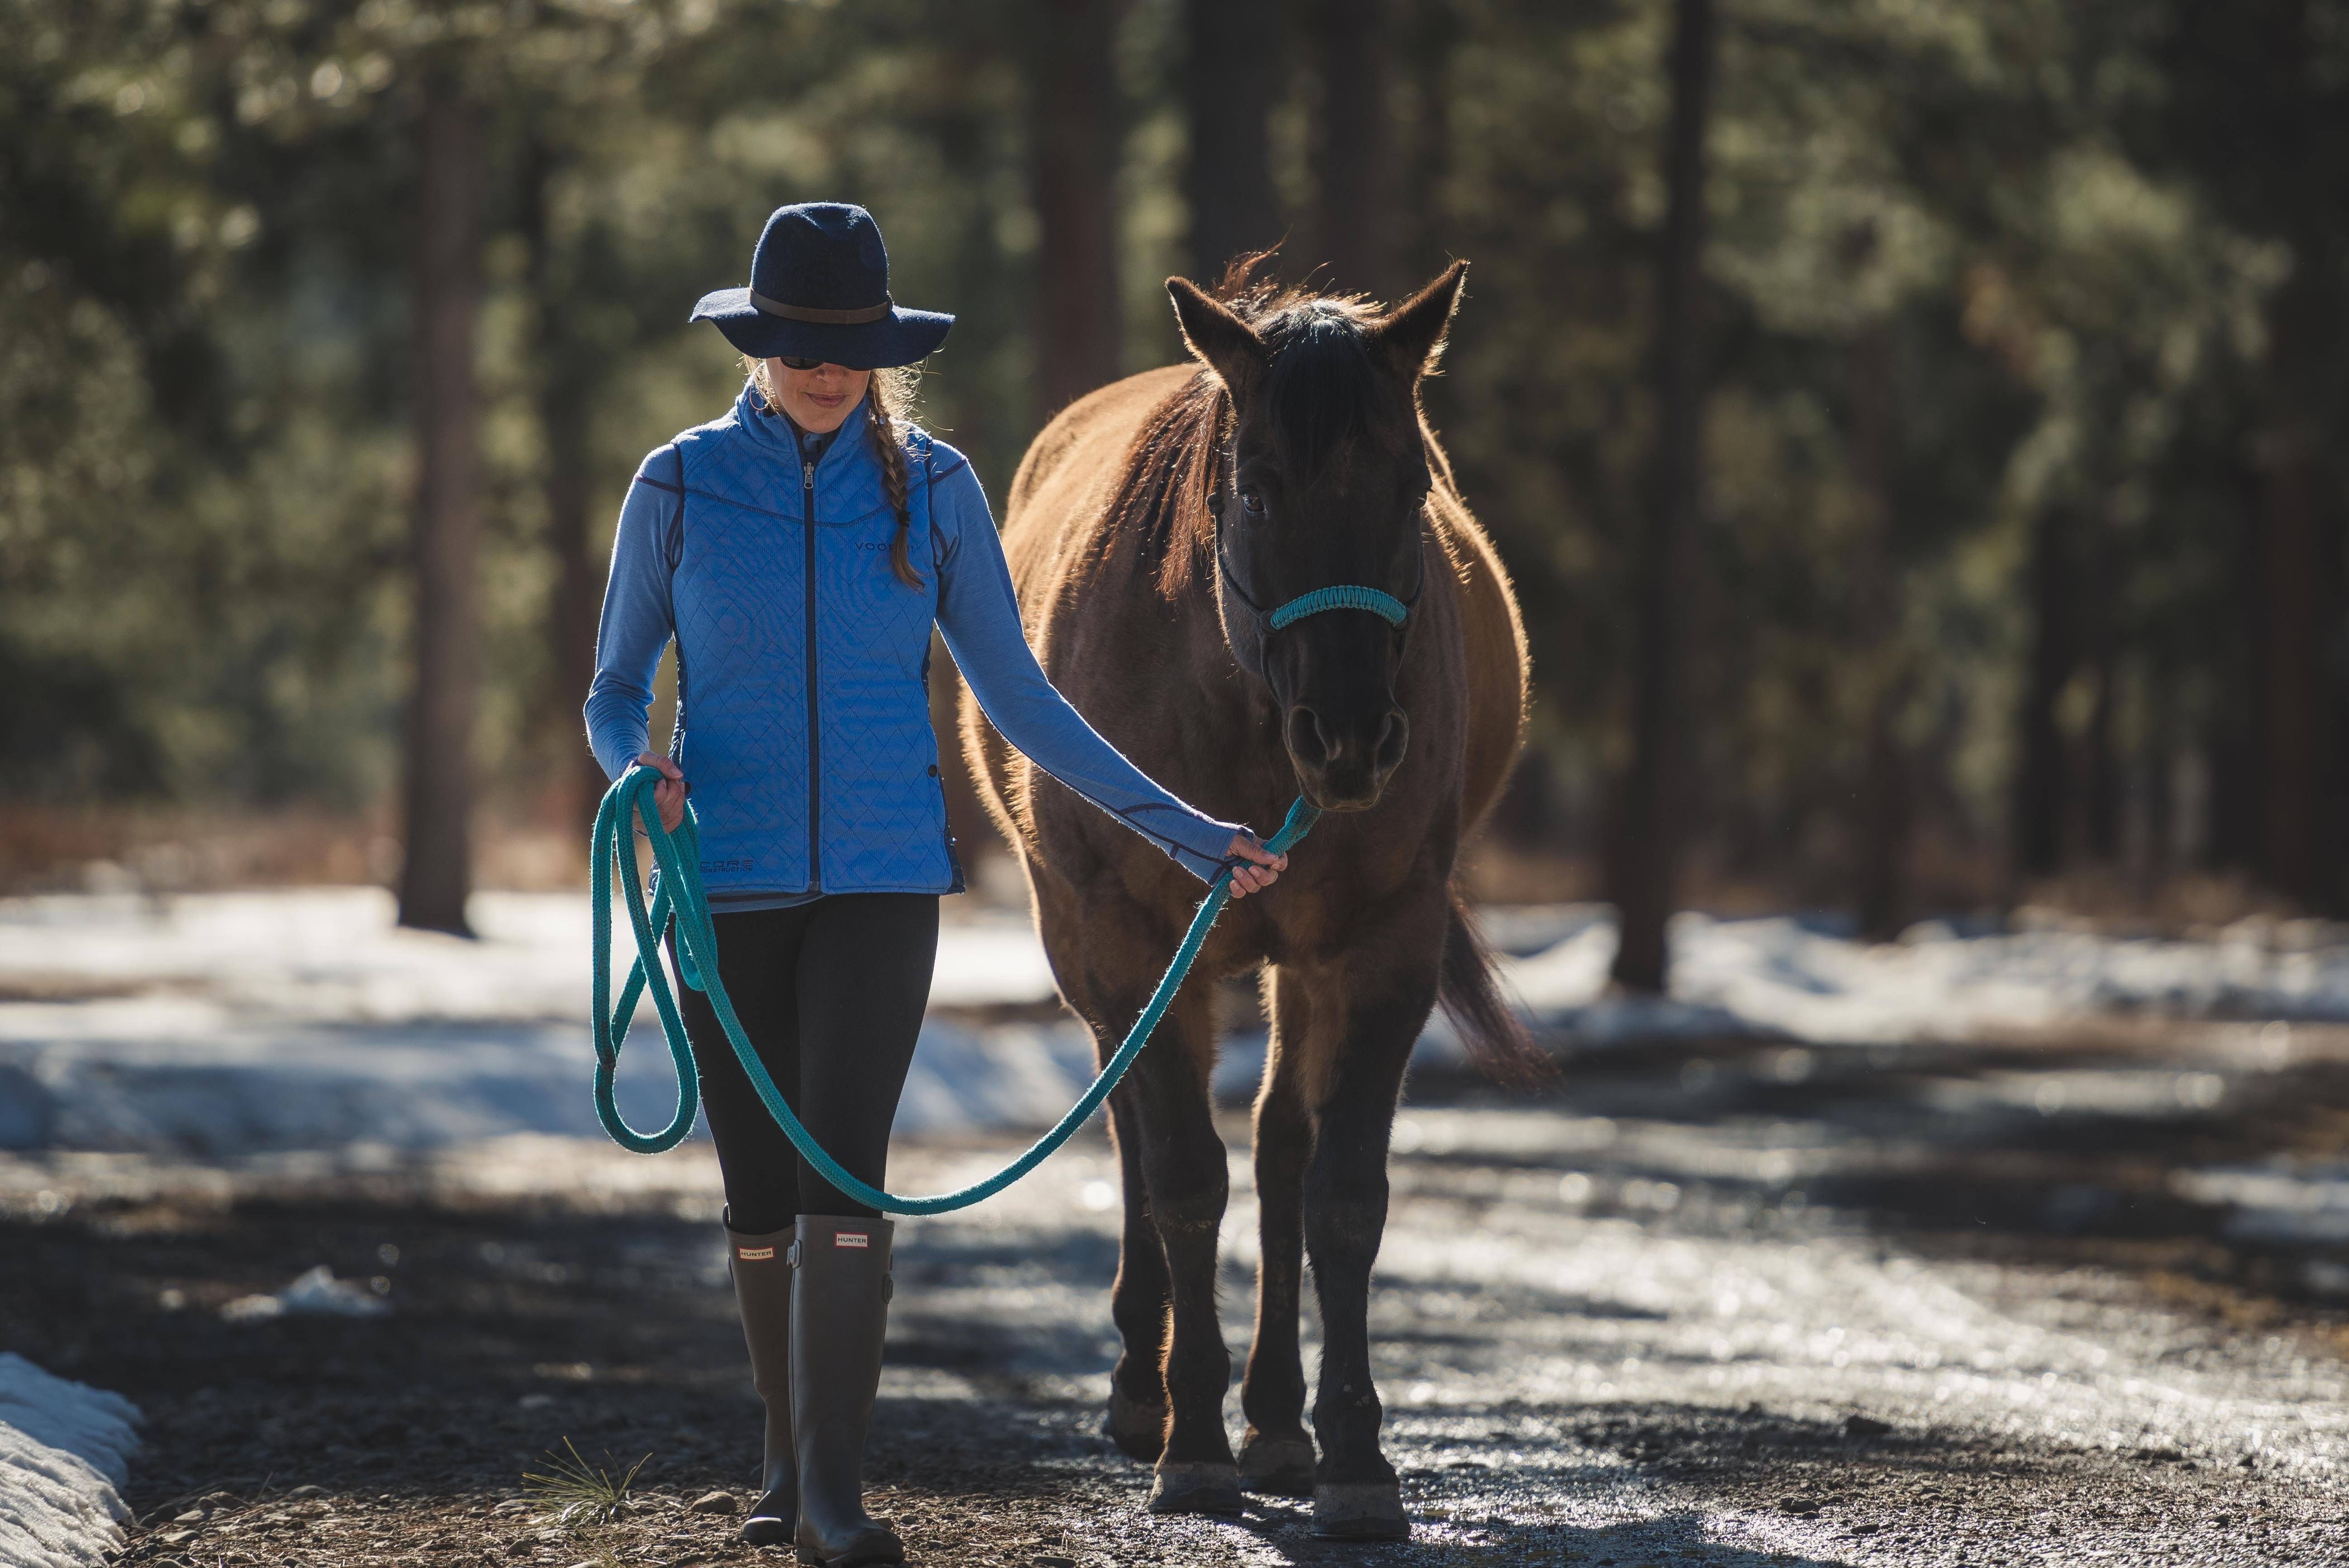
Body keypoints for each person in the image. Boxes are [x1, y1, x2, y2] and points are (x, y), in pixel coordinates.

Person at [582, 202, 1286, 1567]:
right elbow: (615, 689)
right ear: (759, 341)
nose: (824, 368)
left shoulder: (938, 490)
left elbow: (1022, 700)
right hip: (718, 887)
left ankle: (836, 1499)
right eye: (799, 343)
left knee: (845, 1172)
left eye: (848, 345)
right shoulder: (674, 487)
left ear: (883, 352)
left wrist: (1192, 828)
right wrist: (637, 769)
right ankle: (784, 1464)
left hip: (882, 885)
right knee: (759, 1193)